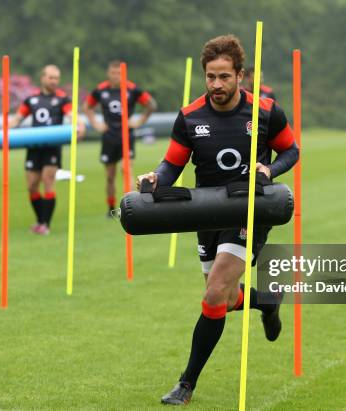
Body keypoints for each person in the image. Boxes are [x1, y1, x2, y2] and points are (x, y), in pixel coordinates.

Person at [137, 35, 299, 405]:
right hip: (206, 210)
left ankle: (186, 384)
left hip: (249, 210)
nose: (216, 85)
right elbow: (172, 164)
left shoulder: (267, 111)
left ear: (240, 75)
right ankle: (266, 302)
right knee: (223, 300)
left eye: (224, 77)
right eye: (210, 77)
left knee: (213, 293)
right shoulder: (191, 116)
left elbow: (291, 149)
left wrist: (269, 169)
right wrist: (155, 179)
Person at [6, 65, 84, 235]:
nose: (54, 81)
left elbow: (71, 116)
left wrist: (78, 126)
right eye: (51, 77)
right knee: (32, 186)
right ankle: (40, 221)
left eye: (56, 78)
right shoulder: (31, 100)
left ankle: (45, 225)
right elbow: (17, 119)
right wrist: (4, 132)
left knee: (48, 182)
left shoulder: (63, 99)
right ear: (42, 78)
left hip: (52, 148)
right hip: (34, 147)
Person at [83, 60, 157, 216]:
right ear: (108, 73)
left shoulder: (132, 89)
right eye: (113, 73)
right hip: (109, 136)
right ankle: (110, 208)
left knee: (126, 170)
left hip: (126, 135)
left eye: (119, 73)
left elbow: (151, 105)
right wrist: (96, 124)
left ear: (124, 74)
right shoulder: (100, 90)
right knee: (110, 176)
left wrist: (139, 121)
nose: (116, 76)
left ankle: (130, 208)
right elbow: (87, 107)